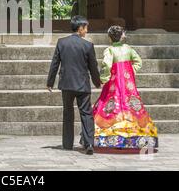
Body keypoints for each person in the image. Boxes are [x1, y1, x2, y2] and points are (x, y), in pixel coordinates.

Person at [93, 26, 158, 149]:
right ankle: (138, 138)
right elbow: (138, 61)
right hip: (128, 83)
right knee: (132, 104)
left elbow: (106, 64)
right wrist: (129, 71)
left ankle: (108, 137)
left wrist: (104, 78)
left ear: (110, 38)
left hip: (114, 83)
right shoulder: (128, 49)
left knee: (111, 103)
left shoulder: (110, 50)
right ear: (122, 36)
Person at [47, 16, 101, 155]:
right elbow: (93, 67)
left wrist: (50, 82)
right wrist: (97, 82)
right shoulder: (87, 45)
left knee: (68, 112)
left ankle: (67, 144)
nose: (87, 30)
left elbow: (55, 63)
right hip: (82, 84)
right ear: (80, 28)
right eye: (86, 28)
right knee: (86, 113)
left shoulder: (62, 42)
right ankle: (89, 143)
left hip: (66, 84)